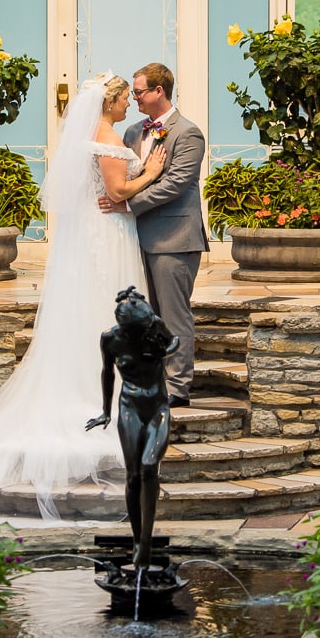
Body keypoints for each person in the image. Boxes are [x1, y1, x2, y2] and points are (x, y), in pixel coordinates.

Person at [0, 74, 167, 518]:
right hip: (108, 234)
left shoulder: (98, 134)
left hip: (102, 233)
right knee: (105, 303)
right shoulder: (104, 137)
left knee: (93, 307)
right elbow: (117, 191)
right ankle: (107, 393)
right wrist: (151, 173)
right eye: (124, 99)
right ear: (111, 102)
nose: (127, 105)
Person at [100, 63, 208, 407]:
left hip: (174, 238)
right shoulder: (132, 132)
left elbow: (176, 184)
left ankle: (178, 387)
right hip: (136, 239)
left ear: (159, 91)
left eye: (139, 92)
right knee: (147, 318)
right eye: (132, 93)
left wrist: (129, 206)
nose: (135, 99)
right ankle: (154, 380)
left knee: (173, 315)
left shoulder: (188, 133)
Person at [86, 286, 178, 569]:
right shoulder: (110, 339)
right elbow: (107, 374)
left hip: (158, 407)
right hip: (130, 406)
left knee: (150, 465)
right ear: (126, 330)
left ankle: (147, 542)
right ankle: (138, 540)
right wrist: (105, 411)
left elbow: (174, 341)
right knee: (134, 475)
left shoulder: (154, 324)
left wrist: (163, 354)